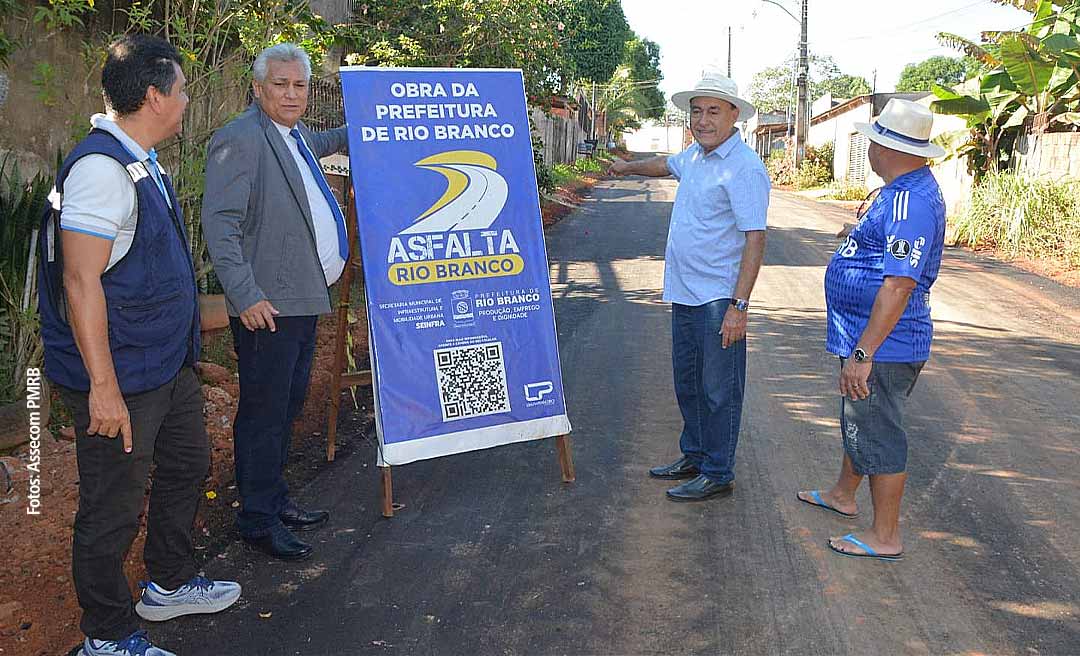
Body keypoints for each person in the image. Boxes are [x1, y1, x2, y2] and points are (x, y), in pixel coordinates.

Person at [37, 35, 240, 656]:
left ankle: (170, 583)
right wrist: (102, 388)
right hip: (118, 376)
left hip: (161, 367)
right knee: (112, 508)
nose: (185, 100)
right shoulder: (101, 170)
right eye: (180, 89)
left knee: (186, 465)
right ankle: (106, 635)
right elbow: (79, 280)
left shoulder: (138, 158)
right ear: (155, 95)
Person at [202, 43, 349, 561]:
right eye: (281, 84)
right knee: (264, 411)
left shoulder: (294, 136)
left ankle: (273, 497)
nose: (291, 94)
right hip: (268, 306)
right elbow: (219, 225)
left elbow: (330, 138)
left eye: (300, 85)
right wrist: (245, 296)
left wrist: (379, 117)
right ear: (258, 87)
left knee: (286, 405)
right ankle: (257, 518)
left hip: (303, 298)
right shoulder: (240, 138)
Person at [797, 98, 947, 561]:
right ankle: (844, 493)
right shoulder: (901, 189)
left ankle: (886, 536)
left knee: (878, 429)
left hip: (884, 343)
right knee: (860, 418)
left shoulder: (909, 200)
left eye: (872, 142)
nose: (868, 150)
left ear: (885, 147)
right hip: (873, 339)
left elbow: (900, 284)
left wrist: (864, 355)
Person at [608, 73, 769, 501]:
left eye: (713, 111)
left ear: (734, 115)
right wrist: (627, 167)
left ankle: (718, 471)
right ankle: (695, 455)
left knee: (719, 388)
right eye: (696, 111)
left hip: (719, 298)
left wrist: (740, 305)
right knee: (689, 382)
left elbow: (756, 237)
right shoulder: (695, 157)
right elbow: (664, 164)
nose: (702, 120)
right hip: (684, 292)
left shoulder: (745, 168)